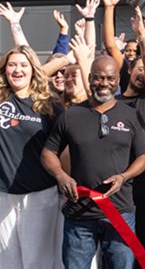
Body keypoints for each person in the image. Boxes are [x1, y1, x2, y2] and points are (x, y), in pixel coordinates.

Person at [41, 55, 145, 269]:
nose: (104, 83)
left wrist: (124, 176)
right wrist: (61, 175)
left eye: (110, 78)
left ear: (118, 80)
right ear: (90, 78)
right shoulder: (70, 115)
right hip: (79, 212)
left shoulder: (131, 115)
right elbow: (48, 153)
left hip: (120, 211)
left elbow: (143, 156)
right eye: (99, 78)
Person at [0, 45, 64, 268]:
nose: (17, 70)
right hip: (3, 194)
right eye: (12, 65)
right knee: (6, 260)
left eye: (23, 65)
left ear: (33, 69)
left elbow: (64, 147)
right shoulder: (0, 98)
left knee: (37, 261)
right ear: (4, 70)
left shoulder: (49, 103)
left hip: (39, 194)